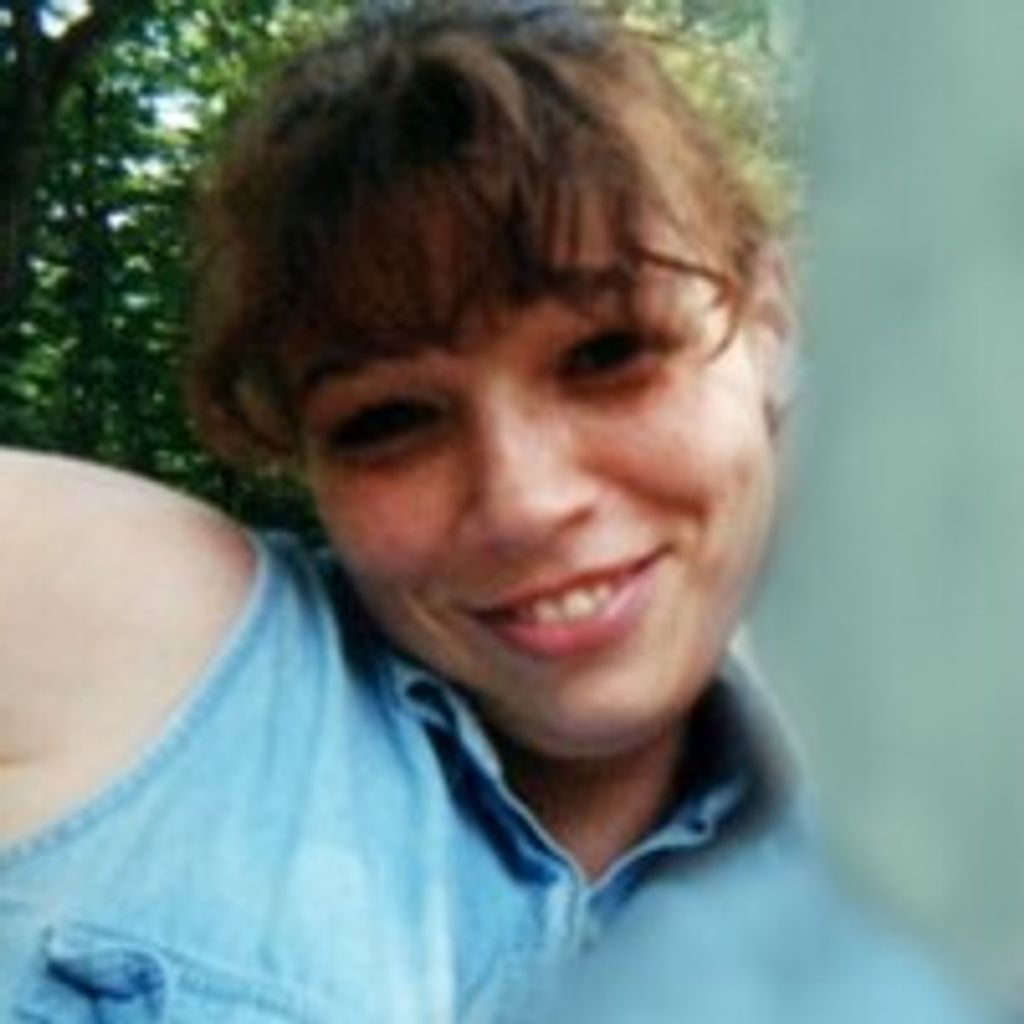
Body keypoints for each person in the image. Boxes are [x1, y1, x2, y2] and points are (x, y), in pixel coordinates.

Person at [0, 1, 994, 1021]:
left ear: (770, 325)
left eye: (608, 354)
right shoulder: (166, 652)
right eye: (388, 420)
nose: (523, 503)